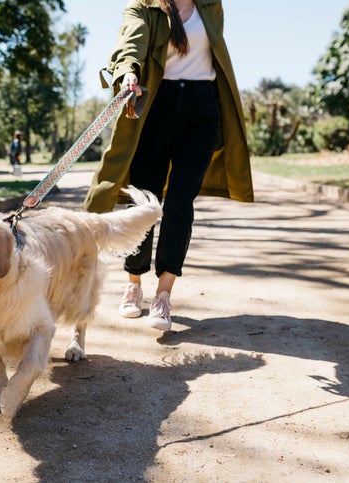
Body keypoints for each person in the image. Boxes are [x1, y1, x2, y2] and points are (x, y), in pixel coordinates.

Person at [84, 0, 254, 331]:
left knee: (179, 203)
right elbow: (130, 41)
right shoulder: (143, 7)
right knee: (145, 200)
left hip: (203, 109)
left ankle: (163, 295)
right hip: (156, 108)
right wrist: (128, 71)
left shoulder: (210, 5)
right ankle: (134, 284)